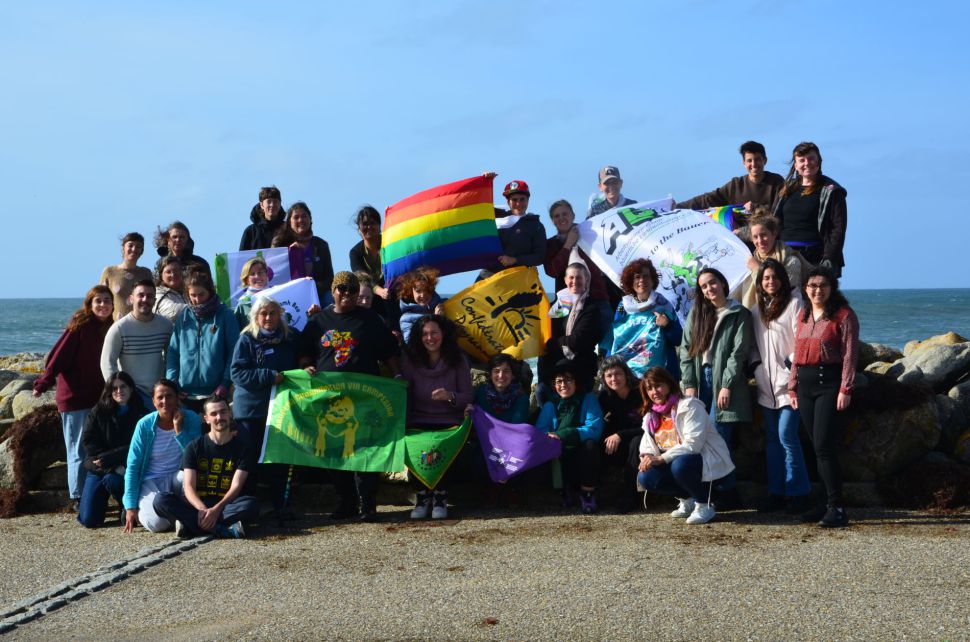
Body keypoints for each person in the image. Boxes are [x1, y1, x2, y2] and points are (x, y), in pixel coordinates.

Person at [301, 271, 401, 521]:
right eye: (342, 289)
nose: (346, 294)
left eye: (352, 290)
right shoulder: (318, 322)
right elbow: (304, 352)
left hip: (365, 397)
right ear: (333, 291)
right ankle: (345, 501)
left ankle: (367, 504)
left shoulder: (370, 320)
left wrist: (398, 376)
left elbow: (388, 351)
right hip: (329, 399)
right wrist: (305, 367)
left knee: (364, 451)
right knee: (335, 450)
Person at [789, 267, 859, 528]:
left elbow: (850, 355)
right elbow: (797, 352)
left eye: (823, 285)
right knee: (814, 446)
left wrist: (845, 389)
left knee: (824, 447)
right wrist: (792, 386)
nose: (817, 290)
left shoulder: (844, 315)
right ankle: (823, 503)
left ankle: (837, 508)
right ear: (806, 288)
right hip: (805, 386)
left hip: (828, 385)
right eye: (812, 285)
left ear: (832, 287)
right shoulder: (804, 314)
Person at [33, 285, 115, 509]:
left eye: (107, 301)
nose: (103, 305)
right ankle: (78, 497)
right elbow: (57, 357)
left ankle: (95, 495)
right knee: (78, 449)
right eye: (98, 301)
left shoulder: (111, 327)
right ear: (89, 304)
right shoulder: (79, 326)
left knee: (97, 448)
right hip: (75, 399)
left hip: (100, 399)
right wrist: (43, 382)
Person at [679, 267, 753, 509]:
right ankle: (714, 493)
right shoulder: (697, 313)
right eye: (704, 286)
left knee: (720, 439)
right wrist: (689, 385)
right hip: (701, 380)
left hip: (723, 380)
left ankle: (725, 493)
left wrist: (727, 385)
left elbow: (738, 353)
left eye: (713, 283)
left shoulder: (738, 313)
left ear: (722, 282)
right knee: (699, 438)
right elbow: (687, 352)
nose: (710, 289)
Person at [230, 295, 305, 519]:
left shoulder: (290, 338)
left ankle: (280, 506)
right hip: (251, 410)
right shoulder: (246, 340)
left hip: (280, 410)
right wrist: (269, 376)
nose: (268, 317)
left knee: (278, 460)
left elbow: (302, 359)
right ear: (255, 316)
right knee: (249, 460)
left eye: (272, 313)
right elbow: (237, 373)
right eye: (263, 313)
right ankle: (247, 507)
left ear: (279, 314)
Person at [636, 366, 735, 525]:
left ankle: (704, 504)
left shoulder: (689, 406)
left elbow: (693, 444)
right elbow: (647, 444)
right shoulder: (650, 415)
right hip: (675, 463)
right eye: (650, 388)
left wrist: (662, 458)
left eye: (658, 385)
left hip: (703, 461)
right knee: (646, 477)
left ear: (669, 384)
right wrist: (647, 457)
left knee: (679, 464)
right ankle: (688, 500)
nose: (655, 392)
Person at [750, 259, 811, 513]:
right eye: (766, 278)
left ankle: (799, 493)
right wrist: (756, 367)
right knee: (772, 441)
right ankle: (776, 492)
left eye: (775, 277)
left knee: (787, 436)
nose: (770, 282)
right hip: (767, 386)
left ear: (783, 279)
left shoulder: (795, 303)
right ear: (760, 283)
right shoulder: (756, 310)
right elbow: (753, 345)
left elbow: (802, 342)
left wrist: (790, 367)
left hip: (789, 385)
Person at [153, 395, 260, 538]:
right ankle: (223, 530)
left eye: (223, 412)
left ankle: (191, 527)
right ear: (206, 419)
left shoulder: (243, 448)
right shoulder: (194, 447)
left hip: (226, 505)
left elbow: (236, 486)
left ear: (230, 414)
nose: (219, 417)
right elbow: (189, 486)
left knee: (251, 505)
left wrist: (216, 510)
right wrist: (203, 510)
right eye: (213, 414)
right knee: (160, 500)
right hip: (198, 506)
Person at [401, 315, 473, 520]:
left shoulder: (458, 359)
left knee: (444, 447)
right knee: (414, 445)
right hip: (418, 420)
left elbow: (468, 396)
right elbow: (405, 394)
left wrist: (449, 397)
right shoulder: (411, 360)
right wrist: (403, 425)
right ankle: (422, 496)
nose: (429, 338)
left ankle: (440, 496)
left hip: (449, 420)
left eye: (434, 333)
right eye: (424, 334)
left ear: (443, 335)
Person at [122, 379, 203, 533]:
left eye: (169, 396)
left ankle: (181, 517)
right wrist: (130, 507)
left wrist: (179, 430)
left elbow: (196, 456)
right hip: (151, 481)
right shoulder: (144, 425)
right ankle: (178, 517)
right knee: (157, 525)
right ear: (153, 401)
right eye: (160, 397)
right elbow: (133, 467)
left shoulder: (191, 418)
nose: (165, 401)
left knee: (187, 473)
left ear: (177, 398)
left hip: (177, 478)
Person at [77, 372, 149, 527]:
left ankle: (126, 505)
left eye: (123, 386)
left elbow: (141, 445)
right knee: (89, 520)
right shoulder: (98, 411)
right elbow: (88, 442)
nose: (119, 391)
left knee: (114, 480)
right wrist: (110, 464)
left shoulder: (142, 412)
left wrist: (113, 458)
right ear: (109, 391)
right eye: (114, 388)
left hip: (127, 467)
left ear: (130, 388)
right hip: (100, 467)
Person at [543, 199, 612, 352]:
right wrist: (568, 244)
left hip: (598, 298)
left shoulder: (590, 235)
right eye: (556, 216)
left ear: (573, 215)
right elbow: (552, 271)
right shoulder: (551, 244)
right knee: (573, 349)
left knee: (607, 348)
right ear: (552, 221)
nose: (561, 218)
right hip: (567, 304)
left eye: (565, 214)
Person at [535, 359, 604, 514]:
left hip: (582, 454)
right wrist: (550, 438)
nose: (563, 384)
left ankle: (588, 494)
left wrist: (562, 434)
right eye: (559, 381)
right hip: (559, 455)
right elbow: (540, 431)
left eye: (568, 380)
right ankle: (562, 490)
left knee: (590, 445)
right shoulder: (549, 405)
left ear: (576, 382)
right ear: (554, 385)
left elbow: (594, 428)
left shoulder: (588, 399)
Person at [772, 142, 848, 276]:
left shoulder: (832, 191)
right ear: (795, 166)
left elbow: (838, 229)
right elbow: (772, 221)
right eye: (801, 160)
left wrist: (829, 258)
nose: (807, 163)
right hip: (784, 254)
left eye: (811, 158)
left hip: (815, 256)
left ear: (818, 162)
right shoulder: (785, 190)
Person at [166, 273, 238, 411]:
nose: (197, 299)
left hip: (217, 394)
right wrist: (173, 383)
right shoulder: (184, 316)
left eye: (201, 294)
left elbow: (234, 352)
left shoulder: (225, 315)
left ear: (210, 292)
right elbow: (173, 353)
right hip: (186, 396)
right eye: (193, 295)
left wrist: (225, 383)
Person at [101, 280, 173, 403]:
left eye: (150, 296)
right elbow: (107, 362)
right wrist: (120, 392)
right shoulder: (119, 328)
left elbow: (173, 357)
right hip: (132, 396)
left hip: (160, 395)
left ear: (154, 301)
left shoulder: (166, 326)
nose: (145, 299)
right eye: (141, 295)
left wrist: (170, 385)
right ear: (131, 299)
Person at [538, 262, 603, 397]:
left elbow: (577, 340)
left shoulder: (591, 309)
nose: (575, 281)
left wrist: (553, 343)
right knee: (542, 395)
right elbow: (544, 334)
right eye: (571, 278)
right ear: (565, 280)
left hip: (580, 368)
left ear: (586, 281)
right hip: (554, 367)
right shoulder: (556, 307)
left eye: (579, 277)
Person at [611, 258, 683, 379]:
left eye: (646, 276)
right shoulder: (623, 306)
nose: (642, 280)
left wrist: (667, 326)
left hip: (661, 375)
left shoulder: (664, 304)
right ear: (630, 281)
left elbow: (678, 339)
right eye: (637, 277)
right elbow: (616, 339)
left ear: (653, 280)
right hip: (631, 375)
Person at [676, 141, 785, 214]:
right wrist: (676, 207)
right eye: (749, 160)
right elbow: (707, 199)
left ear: (765, 160)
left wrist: (756, 208)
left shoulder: (777, 182)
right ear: (743, 163)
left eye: (757, 159)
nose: (754, 164)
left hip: (767, 239)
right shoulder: (736, 185)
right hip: (740, 238)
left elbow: (779, 212)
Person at [596, 356, 645, 512]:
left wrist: (620, 435)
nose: (614, 379)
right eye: (609, 376)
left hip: (645, 436)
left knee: (636, 442)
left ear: (626, 374)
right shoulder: (605, 396)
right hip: (621, 437)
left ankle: (632, 496)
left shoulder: (641, 391)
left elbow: (649, 426)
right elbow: (603, 421)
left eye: (618, 374)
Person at [735, 210, 810, 308]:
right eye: (755, 237)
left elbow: (786, 298)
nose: (760, 241)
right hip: (753, 318)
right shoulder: (749, 262)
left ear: (774, 233)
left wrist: (758, 270)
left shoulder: (791, 261)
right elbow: (736, 297)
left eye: (763, 235)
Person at [478, 179, 546, 281]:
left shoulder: (536, 225)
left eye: (522, 199)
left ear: (528, 200)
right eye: (514, 200)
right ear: (508, 202)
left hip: (519, 279)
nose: (518, 203)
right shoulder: (493, 216)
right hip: (489, 275)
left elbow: (540, 257)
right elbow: (477, 205)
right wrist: (484, 181)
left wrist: (514, 260)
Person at [271, 201, 335, 304]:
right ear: (289, 222)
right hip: (289, 294)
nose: (300, 220)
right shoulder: (279, 243)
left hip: (317, 293)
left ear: (310, 219)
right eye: (296, 217)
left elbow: (329, 277)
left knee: (330, 296)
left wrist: (311, 287)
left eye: (304, 216)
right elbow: (273, 275)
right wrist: (288, 254)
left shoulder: (321, 245)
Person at [349, 205, 399, 330]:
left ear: (379, 225)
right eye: (365, 224)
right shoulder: (355, 253)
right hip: (371, 294)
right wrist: (379, 291)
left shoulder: (390, 244)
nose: (369, 227)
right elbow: (361, 277)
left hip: (393, 290)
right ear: (359, 228)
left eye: (373, 223)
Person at [99, 232, 154, 320]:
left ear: (142, 251)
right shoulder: (109, 272)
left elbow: (152, 299)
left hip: (141, 326)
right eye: (130, 245)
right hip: (114, 326)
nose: (134, 249)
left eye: (138, 246)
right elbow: (99, 299)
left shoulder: (146, 273)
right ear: (123, 249)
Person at [472, 353, 530, 424]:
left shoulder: (522, 399)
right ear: (490, 375)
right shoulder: (480, 393)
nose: (501, 375)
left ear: (513, 375)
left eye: (506, 371)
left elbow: (517, 429)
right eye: (496, 371)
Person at [396, 266, 445, 343]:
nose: (423, 295)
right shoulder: (406, 319)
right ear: (410, 291)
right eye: (418, 291)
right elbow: (412, 346)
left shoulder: (445, 304)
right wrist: (437, 320)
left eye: (426, 290)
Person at [239, 185, 285, 251]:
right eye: (269, 201)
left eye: (275, 201)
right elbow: (241, 258)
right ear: (262, 205)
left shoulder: (287, 229)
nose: (272, 205)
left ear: (280, 204)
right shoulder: (250, 232)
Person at [233, 257, 270, 330]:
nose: (257, 276)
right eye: (252, 274)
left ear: (266, 274)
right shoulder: (242, 305)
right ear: (246, 280)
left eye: (260, 272)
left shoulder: (278, 295)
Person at [153, 256, 188, 323]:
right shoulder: (157, 294)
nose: (173, 274)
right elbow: (172, 312)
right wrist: (199, 307)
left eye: (176, 270)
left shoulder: (187, 293)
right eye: (168, 272)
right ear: (161, 276)